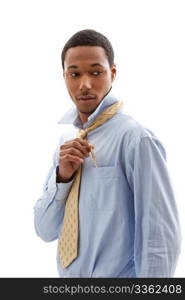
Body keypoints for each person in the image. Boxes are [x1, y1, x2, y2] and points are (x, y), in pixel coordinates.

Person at [34, 29, 182, 278]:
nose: (85, 84)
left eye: (95, 72)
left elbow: (161, 238)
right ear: (64, 77)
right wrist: (63, 177)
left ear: (112, 73)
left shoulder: (136, 139)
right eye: (74, 74)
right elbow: (45, 229)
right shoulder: (66, 144)